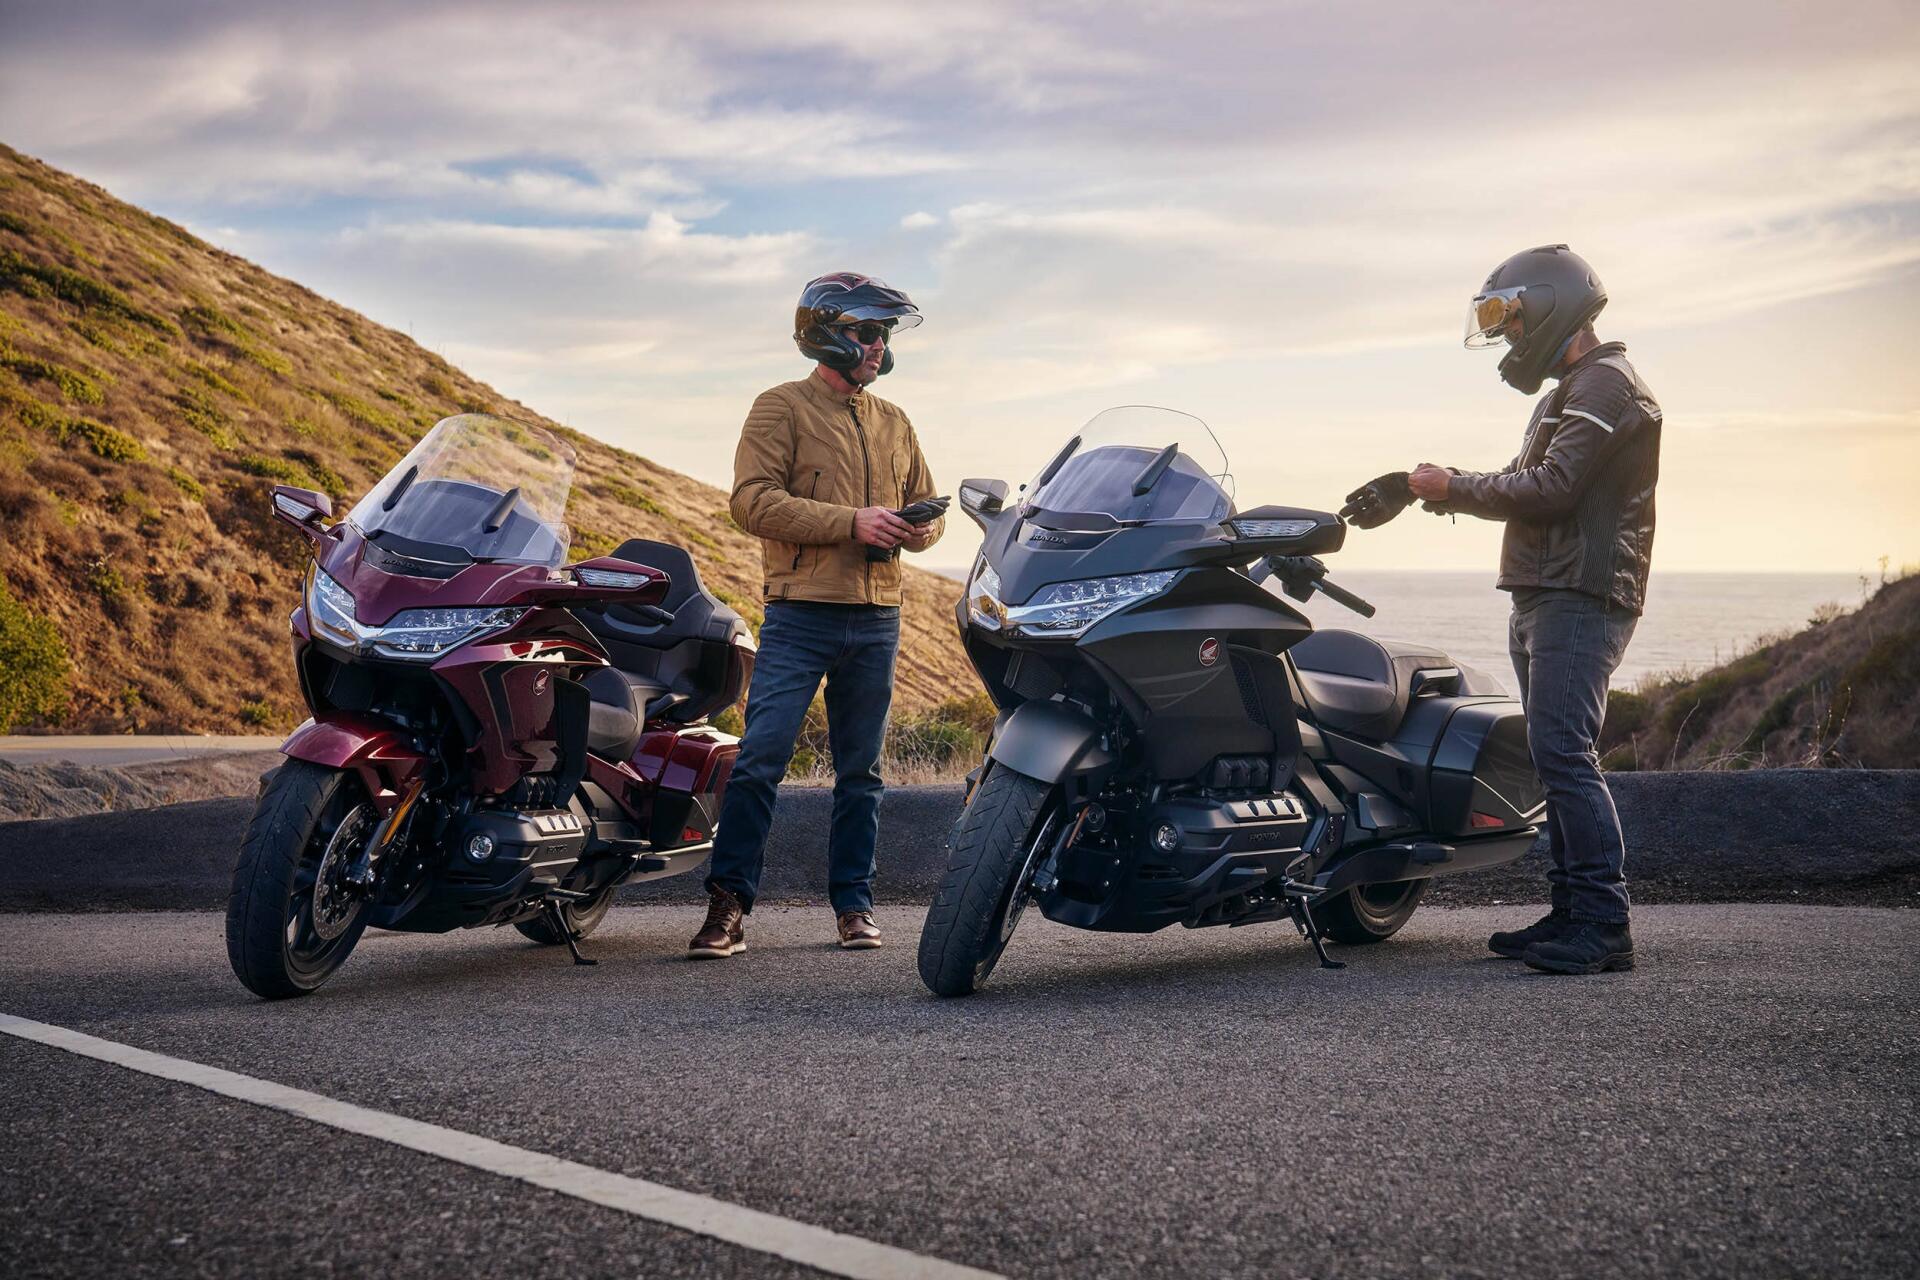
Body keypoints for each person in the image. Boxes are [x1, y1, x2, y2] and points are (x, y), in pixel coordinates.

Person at [1340, 244, 1662, 975]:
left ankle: (1605, 924)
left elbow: (1551, 488)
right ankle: (1572, 912)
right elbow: (1522, 480)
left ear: (1549, 306)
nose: (1510, 337)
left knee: (1566, 755)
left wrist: (1445, 488)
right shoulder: (1572, 390)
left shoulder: (1606, 385)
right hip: (1547, 591)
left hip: (1580, 595)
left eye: (1511, 320)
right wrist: (1420, 484)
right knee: (1555, 757)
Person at [688, 273, 944, 959]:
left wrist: (920, 532)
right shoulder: (780, 408)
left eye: (884, 334)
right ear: (828, 334)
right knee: (760, 761)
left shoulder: (894, 421)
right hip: (801, 618)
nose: (880, 345)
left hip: (879, 618)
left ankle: (854, 907)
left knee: (863, 771)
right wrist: (850, 523)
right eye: (868, 332)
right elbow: (752, 502)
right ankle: (728, 907)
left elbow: (923, 505)